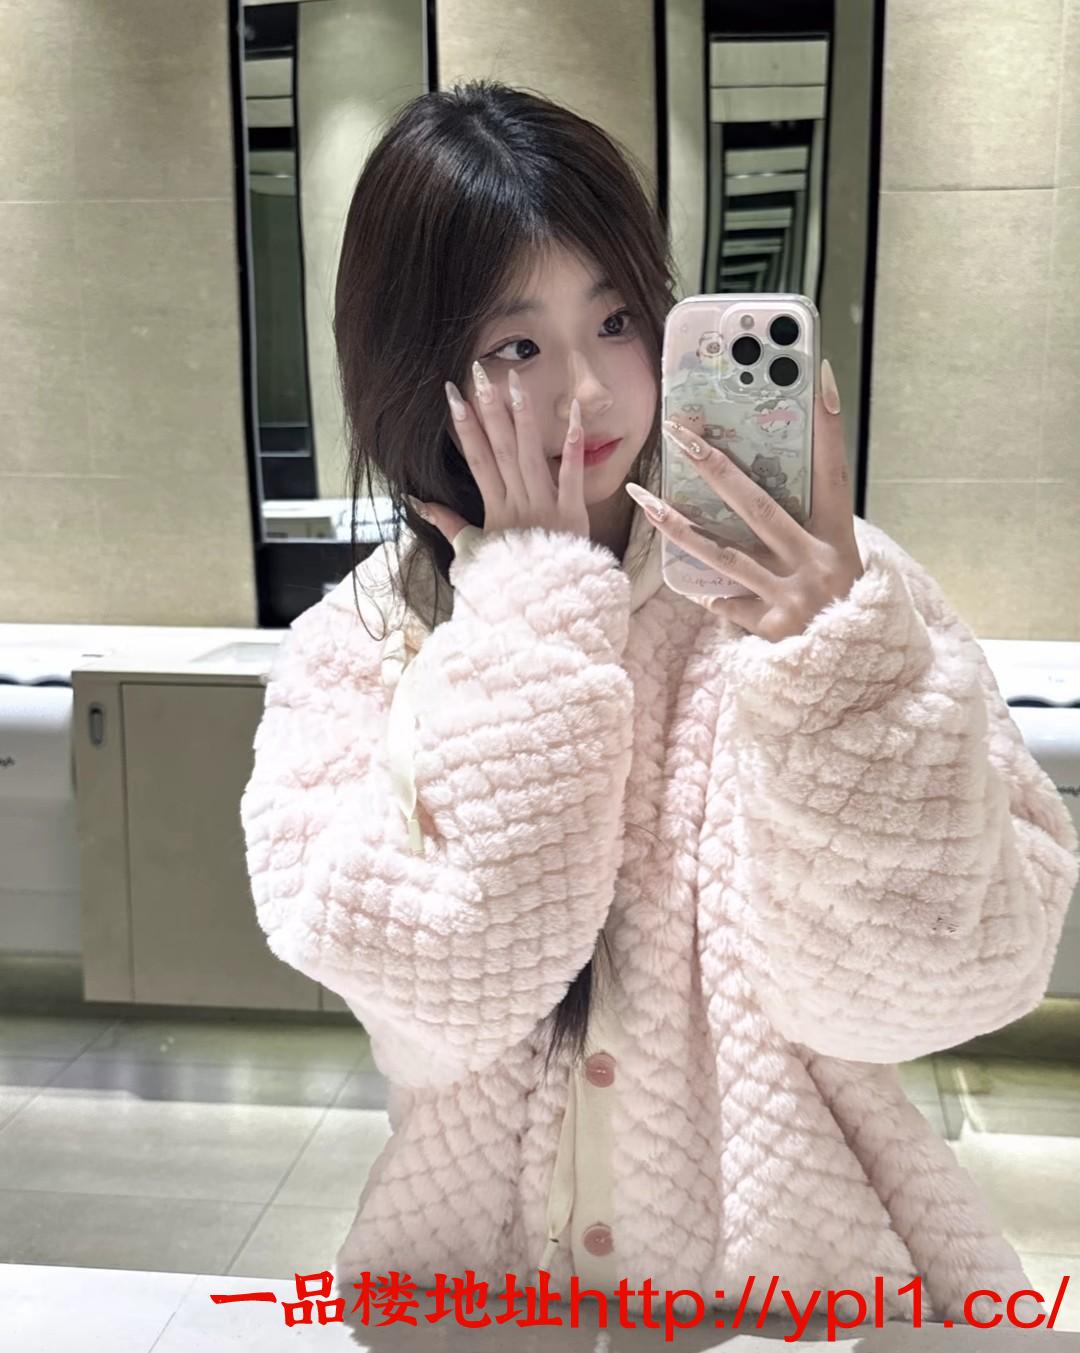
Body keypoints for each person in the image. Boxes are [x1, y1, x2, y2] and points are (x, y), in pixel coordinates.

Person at [239, 79, 1079, 1330]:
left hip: (802, 1301)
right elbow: (440, 1009)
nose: (584, 390)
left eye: (618, 318)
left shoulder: (840, 602)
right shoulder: (364, 644)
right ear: (417, 367)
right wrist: (530, 615)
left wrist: (840, 671)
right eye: (517, 345)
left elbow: (930, 993)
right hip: (489, 1297)